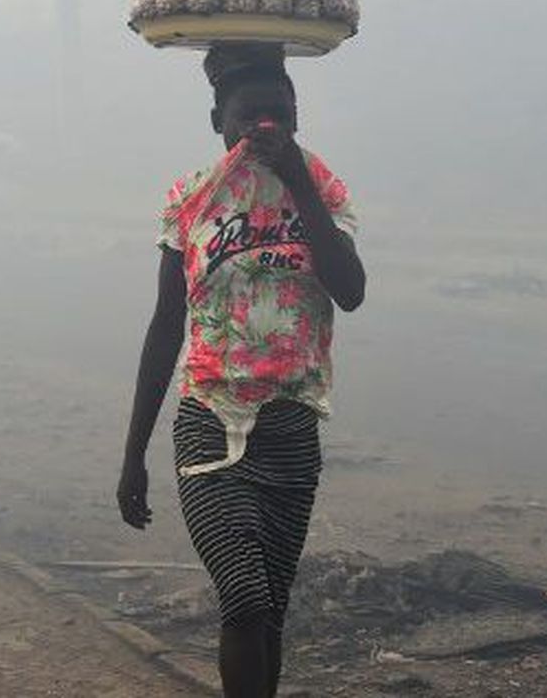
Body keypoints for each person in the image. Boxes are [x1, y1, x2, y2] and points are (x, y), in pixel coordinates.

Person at [117, 44, 366, 697]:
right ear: (216, 119)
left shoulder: (324, 188)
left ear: (295, 118)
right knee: (247, 597)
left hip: (292, 425)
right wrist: (133, 453)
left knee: (272, 610)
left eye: (279, 115)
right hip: (209, 422)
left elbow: (350, 288)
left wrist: (299, 183)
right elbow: (166, 324)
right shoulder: (191, 202)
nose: (264, 128)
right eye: (249, 114)